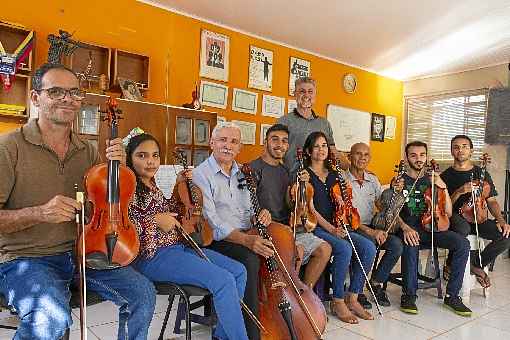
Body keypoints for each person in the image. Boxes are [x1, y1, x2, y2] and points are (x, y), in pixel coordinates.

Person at [0, 63, 155, 340]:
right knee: (51, 318)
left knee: (142, 293)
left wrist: (118, 167)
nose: (67, 98)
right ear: (36, 98)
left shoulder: (88, 151)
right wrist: (40, 213)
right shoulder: (9, 147)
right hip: (27, 259)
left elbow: (105, 207)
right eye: (56, 91)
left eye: (74, 92)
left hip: (83, 253)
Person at [125, 131, 248, 340]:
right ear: (130, 157)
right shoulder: (126, 186)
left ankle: (222, 336)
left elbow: (170, 212)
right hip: (152, 256)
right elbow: (122, 227)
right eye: (142, 156)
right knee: (224, 280)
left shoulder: (151, 184)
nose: (150, 161)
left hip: (177, 248)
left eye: (155, 155)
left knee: (238, 271)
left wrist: (177, 187)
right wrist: (154, 221)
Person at [193, 121, 272, 340]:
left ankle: (273, 316)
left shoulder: (243, 173)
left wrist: (260, 214)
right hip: (216, 240)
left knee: (276, 247)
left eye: (234, 142)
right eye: (222, 140)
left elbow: (248, 211)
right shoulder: (201, 174)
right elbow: (213, 222)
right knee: (249, 260)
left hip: (245, 234)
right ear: (212, 143)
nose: (228, 146)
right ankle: (249, 334)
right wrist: (246, 241)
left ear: (240, 148)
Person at [304, 131, 376, 324]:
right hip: (317, 226)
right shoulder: (305, 175)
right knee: (344, 248)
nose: (321, 149)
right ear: (309, 151)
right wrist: (332, 229)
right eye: (317, 146)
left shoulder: (336, 174)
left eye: (325, 146)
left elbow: (342, 203)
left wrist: (343, 213)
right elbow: (310, 210)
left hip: (338, 223)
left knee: (368, 247)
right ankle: (337, 300)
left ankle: (352, 297)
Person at [249, 123, 331, 288]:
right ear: (265, 142)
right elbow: (246, 207)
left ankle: (304, 293)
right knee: (298, 251)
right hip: (267, 229)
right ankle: (287, 296)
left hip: (289, 227)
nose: (280, 145)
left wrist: (300, 188)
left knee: (325, 249)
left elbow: (289, 204)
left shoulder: (285, 171)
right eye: (275, 139)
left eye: (284, 141)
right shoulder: (252, 168)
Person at [398, 141, 471, 316]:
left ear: (427, 157)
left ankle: (452, 296)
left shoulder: (433, 180)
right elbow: (392, 212)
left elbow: (447, 211)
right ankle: (409, 295)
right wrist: (405, 228)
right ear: (407, 157)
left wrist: (443, 187)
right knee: (411, 242)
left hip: (432, 227)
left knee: (462, 244)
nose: (419, 159)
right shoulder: (400, 181)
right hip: (410, 227)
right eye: (413, 155)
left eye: (422, 155)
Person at [440, 135, 510, 288]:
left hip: (478, 217)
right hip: (456, 218)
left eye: (465, 146)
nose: (460, 150)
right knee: (462, 228)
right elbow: (443, 208)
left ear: (471, 150)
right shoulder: (445, 176)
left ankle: (476, 265)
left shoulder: (481, 173)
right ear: (452, 151)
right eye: (456, 147)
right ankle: (452, 263)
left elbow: (491, 201)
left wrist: (501, 220)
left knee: (505, 237)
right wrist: (458, 192)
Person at [345, 143, 404, 308]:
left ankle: (376, 282)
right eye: (358, 154)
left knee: (396, 245)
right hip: (352, 227)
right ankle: (358, 290)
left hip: (373, 225)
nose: (362, 158)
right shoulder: (342, 179)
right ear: (350, 156)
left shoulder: (372, 179)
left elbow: (382, 204)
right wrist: (371, 232)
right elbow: (346, 215)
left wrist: (393, 192)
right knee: (368, 244)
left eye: (366, 155)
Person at [277, 77, 349, 176]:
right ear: (295, 94)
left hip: (320, 181)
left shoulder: (324, 123)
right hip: (294, 180)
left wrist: (351, 168)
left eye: (310, 91)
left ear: (315, 95)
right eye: (302, 91)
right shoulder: (284, 122)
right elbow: (276, 152)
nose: (306, 95)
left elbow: (333, 152)